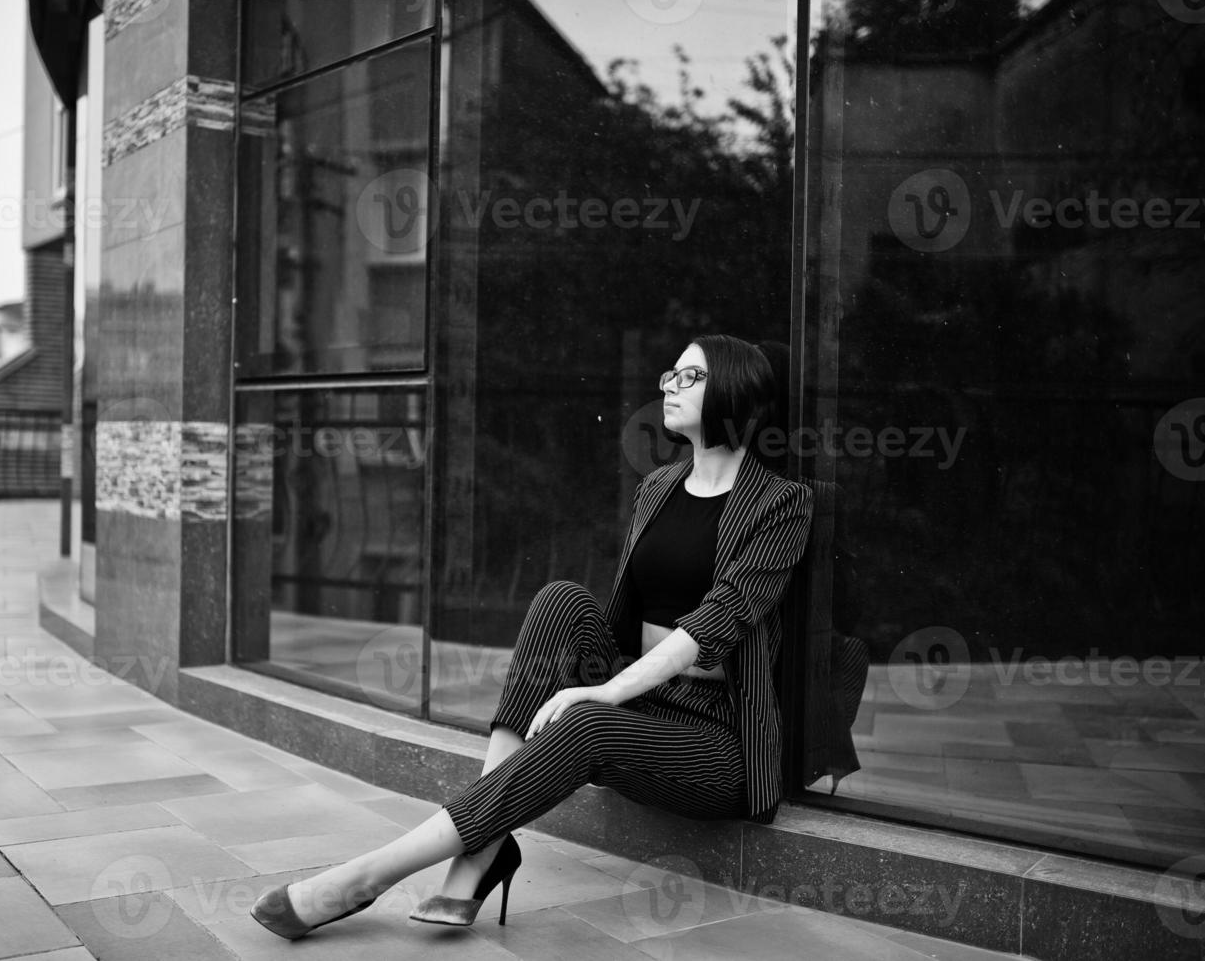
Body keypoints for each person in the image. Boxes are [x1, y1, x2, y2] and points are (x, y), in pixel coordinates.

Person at [250, 334, 815, 939]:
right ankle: (483, 846)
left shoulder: (782, 504)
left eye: (687, 378)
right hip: (645, 701)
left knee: (590, 720)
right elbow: (623, 622)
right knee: (559, 599)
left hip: (714, 740)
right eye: (668, 375)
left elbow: (716, 623)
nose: (666, 387)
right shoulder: (657, 490)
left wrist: (601, 694)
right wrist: (600, 685)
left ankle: (368, 876)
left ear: (730, 389)